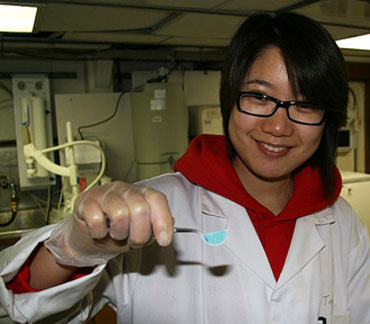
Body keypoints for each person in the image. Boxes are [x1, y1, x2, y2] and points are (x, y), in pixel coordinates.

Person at [1, 11, 369, 324]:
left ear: (327, 120)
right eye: (259, 96)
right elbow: (27, 303)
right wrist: (76, 248)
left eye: (305, 105)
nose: (278, 126)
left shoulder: (342, 223)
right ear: (229, 100)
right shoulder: (152, 208)